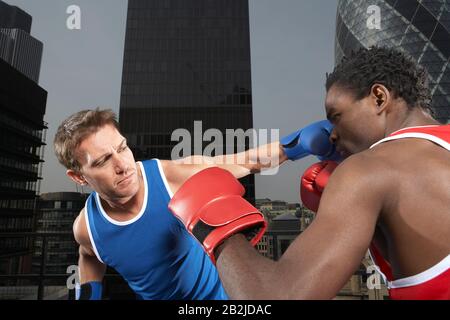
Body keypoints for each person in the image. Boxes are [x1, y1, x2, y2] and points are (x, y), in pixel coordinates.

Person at [168, 47, 450, 300]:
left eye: (336, 115)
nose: (333, 134)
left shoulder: (368, 171)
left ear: (379, 97)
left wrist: (216, 221)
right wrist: (291, 148)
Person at [54, 108, 339, 300]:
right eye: (104, 161)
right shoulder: (86, 227)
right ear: (78, 176)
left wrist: (298, 145)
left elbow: (244, 162)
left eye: (122, 148)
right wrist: (89, 291)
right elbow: (88, 254)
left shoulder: (168, 177)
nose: (123, 165)